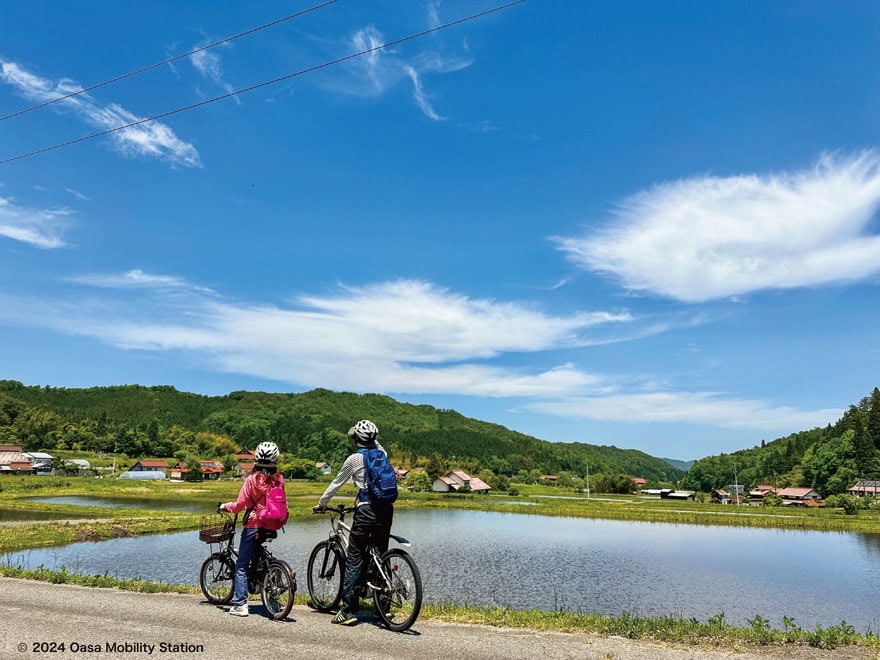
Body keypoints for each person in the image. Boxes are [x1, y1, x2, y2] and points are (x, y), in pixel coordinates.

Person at [313, 419, 393, 626]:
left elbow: (336, 483)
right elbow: (377, 447)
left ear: (356, 438)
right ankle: (382, 609)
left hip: (366, 510)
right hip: (386, 510)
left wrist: (322, 503)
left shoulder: (354, 459)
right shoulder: (382, 454)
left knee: (355, 557)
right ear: (374, 438)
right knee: (380, 555)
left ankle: (348, 611)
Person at [219, 441, 284, 617]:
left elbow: (240, 505)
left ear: (256, 459)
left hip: (254, 524)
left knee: (241, 565)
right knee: (256, 550)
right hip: (272, 523)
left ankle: (240, 604)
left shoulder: (252, 480)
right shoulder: (279, 479)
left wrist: (225, 506)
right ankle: (269, 573)